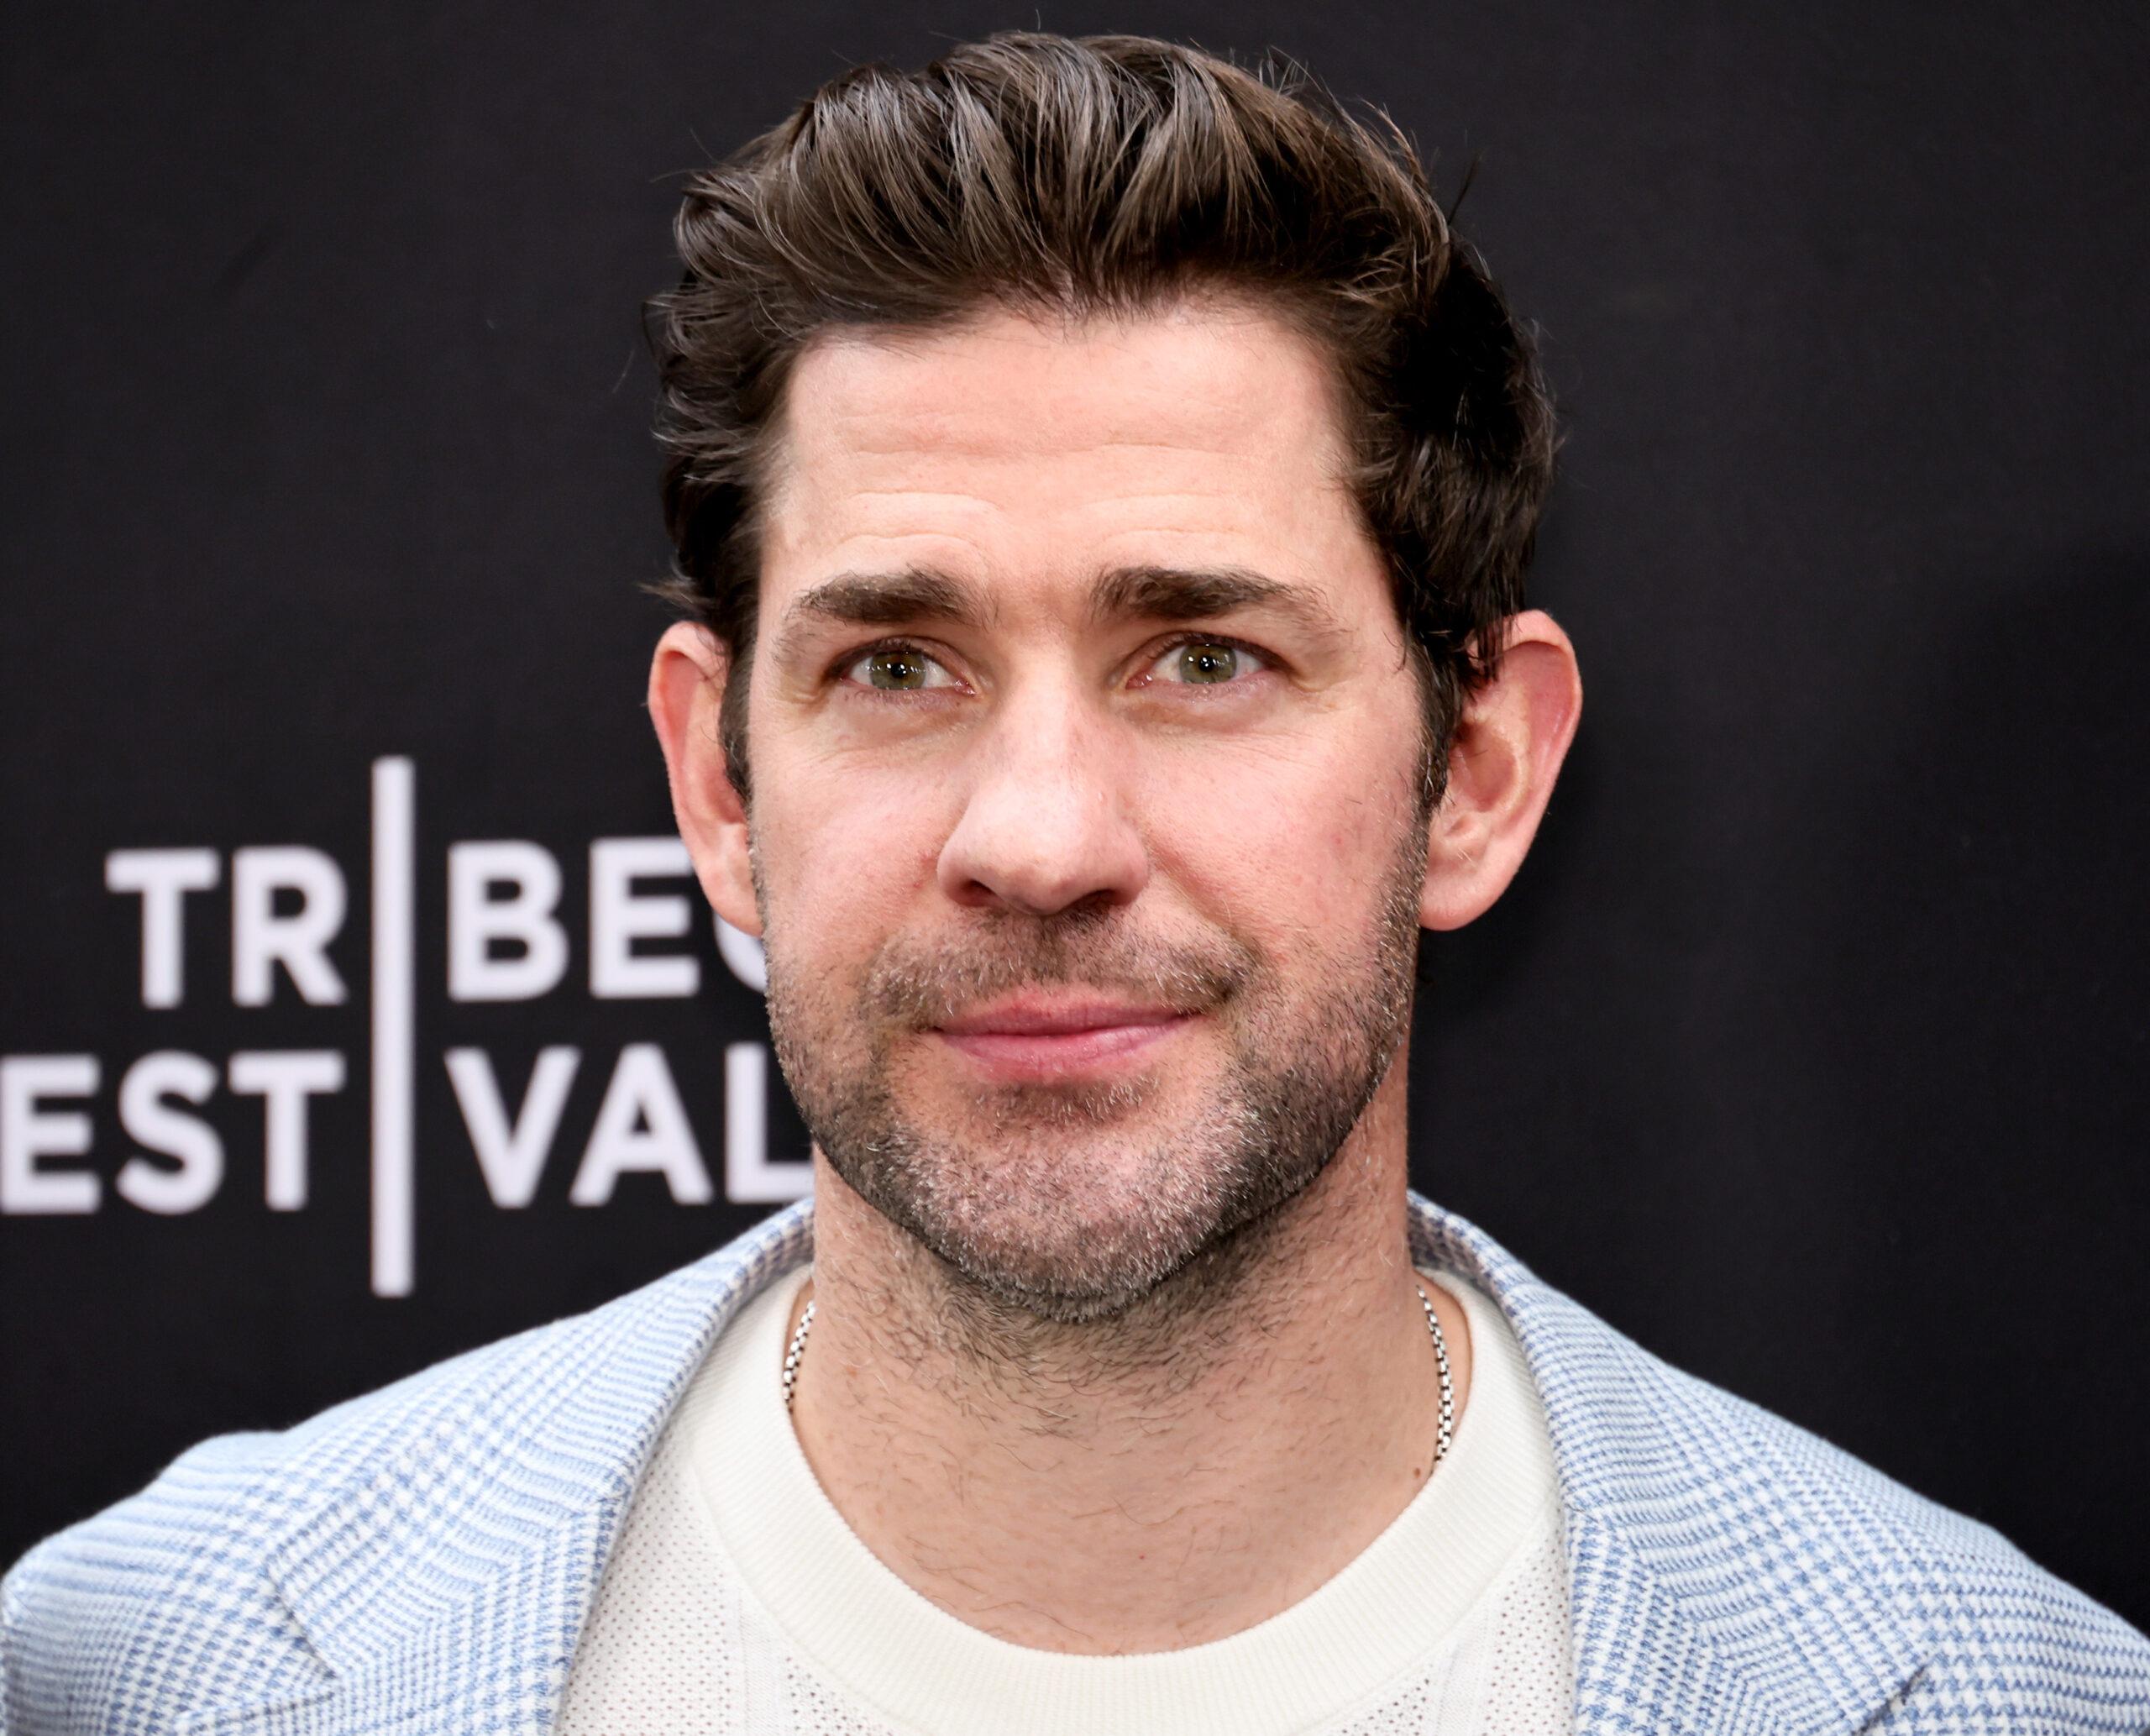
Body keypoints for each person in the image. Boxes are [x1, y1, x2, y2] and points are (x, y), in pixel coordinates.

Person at [4, 30, 2146, 1736]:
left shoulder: (2005, 1696)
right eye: (895, 664)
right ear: (716, 779)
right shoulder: (138, 1665)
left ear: (1474, 775)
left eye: (1200, 657)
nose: (1036, 839)